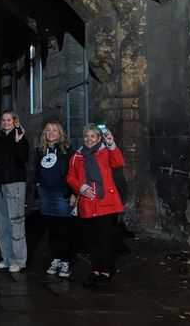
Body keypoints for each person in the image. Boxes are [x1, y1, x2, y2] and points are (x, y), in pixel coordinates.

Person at [67, 123, 125, 287]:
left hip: (105, 202)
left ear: (99, 138)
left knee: (104, 239)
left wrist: (111, 143)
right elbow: (70, 177)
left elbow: (118, 162)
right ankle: (95, 270)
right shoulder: (77, 156)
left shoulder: (105, 152)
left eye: (93, 136)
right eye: (86, 136)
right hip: (87, 203)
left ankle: (105, 272)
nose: (89, 139)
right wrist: (81, 187)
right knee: (91, 240)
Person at [0, 110, 29, 273]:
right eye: (3, 120)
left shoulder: (20, 139)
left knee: (16, 222)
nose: (6, 122)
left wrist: (18, 141)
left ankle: (19, 259)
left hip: (14, 183)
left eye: (9, 120)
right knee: (1, 223)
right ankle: (7, 257)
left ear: (15, 121)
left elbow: (23, 158)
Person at [36, 121, 75, 278]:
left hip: (61, 193)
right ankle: (56, 258)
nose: (51, 133)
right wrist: (38, 184)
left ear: (60, 134)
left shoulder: (67, 151)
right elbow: (35, 169)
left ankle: (66, 260)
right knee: (51, 229)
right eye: (48, 130)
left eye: (54, 130)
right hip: (46, 193)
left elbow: (73, 172)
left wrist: (73, 192)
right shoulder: (40, 151)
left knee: (64, 228)